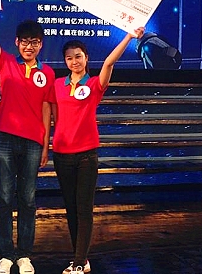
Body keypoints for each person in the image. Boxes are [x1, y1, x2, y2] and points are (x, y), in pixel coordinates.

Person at [51, 28, 144, 274]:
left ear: (86, 58)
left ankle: (79, 262)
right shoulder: (57, 85)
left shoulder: (94, 84)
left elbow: (109, 63)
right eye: (69, 58)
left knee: (84, 209)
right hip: (61, 153)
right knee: (71, 209)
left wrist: (128, 37)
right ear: (65, 61)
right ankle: (81, 259)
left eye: (78, 56)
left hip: (86, 154)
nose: (74, 61)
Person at [0, 20, 56, 274]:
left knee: (28, 198)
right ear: (17, 42)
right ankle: (5, 255)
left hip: (33, 141)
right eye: (25, 41)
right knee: (4, 197)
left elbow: (46, 109)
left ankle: (24, 255)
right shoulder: (6, 63)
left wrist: (45, 144)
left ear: (41, 45)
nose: (29, 46)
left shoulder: (48, 73)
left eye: (34, 42)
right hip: (5, 138)